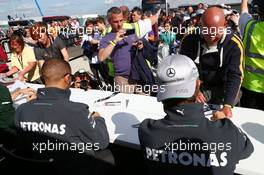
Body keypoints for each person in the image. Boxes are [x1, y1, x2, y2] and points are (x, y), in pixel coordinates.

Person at [138, 54, 254, 175]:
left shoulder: (147, 130)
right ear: (198, 84)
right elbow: (247, 149)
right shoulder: (227, 132)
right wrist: (224, 122)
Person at [15, 59, 109, 154]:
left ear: (43, 78)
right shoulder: (77, 111)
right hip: (74, 165)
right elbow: (101, 142)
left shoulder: (22, 109)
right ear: (67, 78)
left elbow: (21, 145)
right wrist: (98, 118)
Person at [180, 7, 244, 117]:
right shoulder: (189, 39)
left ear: (225, 25)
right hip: (198, 86)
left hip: (224, 88)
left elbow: (235, 75)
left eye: (216, 32)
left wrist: (228, 105)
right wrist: (194, 90)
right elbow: (183, 69)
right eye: (207, 32)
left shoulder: (234, 44)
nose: (212, 37)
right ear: (200, 25)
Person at [98, 7, 160, 93]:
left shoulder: (131, 30)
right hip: (122, 79)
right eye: (115, 22)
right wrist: (114, 42)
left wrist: (140, 45)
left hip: (138, 75)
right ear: (109, 21)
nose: (119, 24)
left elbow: (151, 21)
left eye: (121, 20)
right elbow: (101, 57)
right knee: (127, 104)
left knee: (144, 103)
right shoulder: (106, 38)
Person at [239, 0, 264, 110]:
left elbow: (244, 12)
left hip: (250, 88)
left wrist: (244, 0)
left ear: (258, 11)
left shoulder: (249, 26)